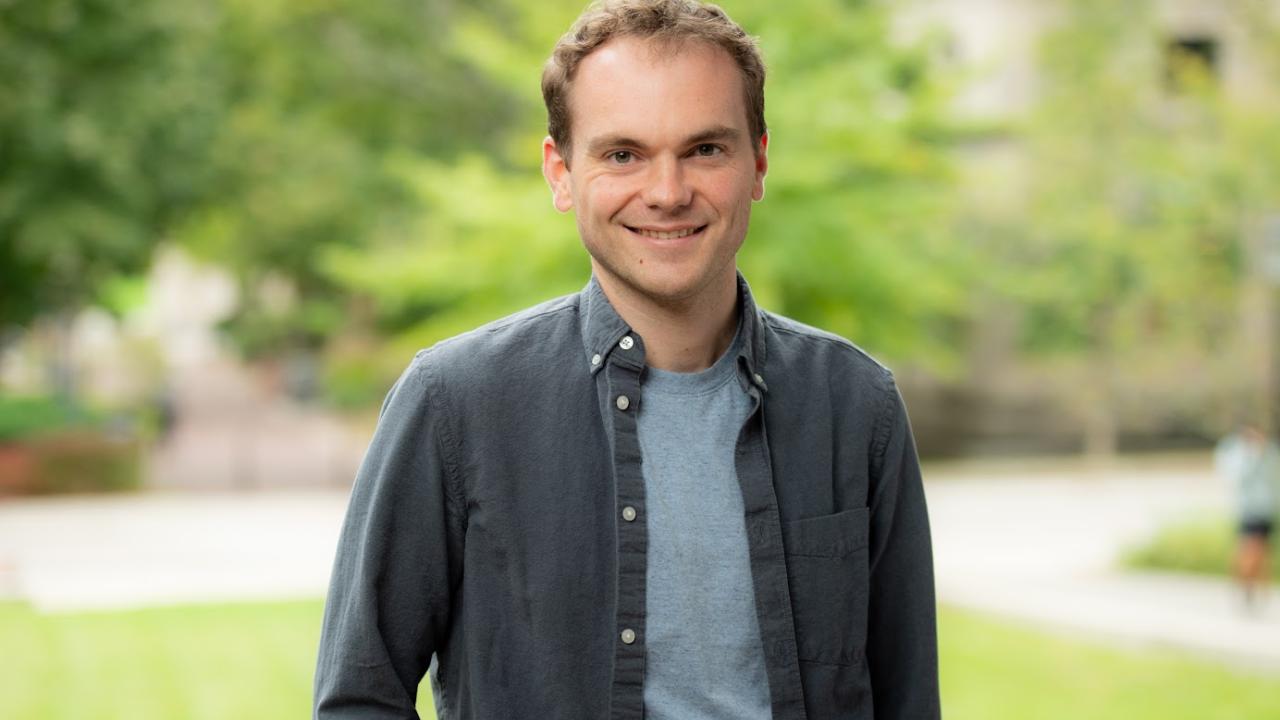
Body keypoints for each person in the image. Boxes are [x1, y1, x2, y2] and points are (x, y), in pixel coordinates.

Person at [313, 1, 940, 718]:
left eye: (705, 149)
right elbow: (360, 696)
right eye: (623, 154)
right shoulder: (454, 404)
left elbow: (908, 700)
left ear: (758, 161)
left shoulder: (857, 406)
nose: (668, 193)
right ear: (561, 172)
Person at [1215, 422, 1280, 613]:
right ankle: (1244, 588)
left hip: (1267, 509)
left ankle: (1258, 591)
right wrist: (1252, 455)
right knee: (1250, 550)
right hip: (1249, 509)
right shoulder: (1234, 452)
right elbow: (1235, 478)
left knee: (1264, 552)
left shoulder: (1269, 451)